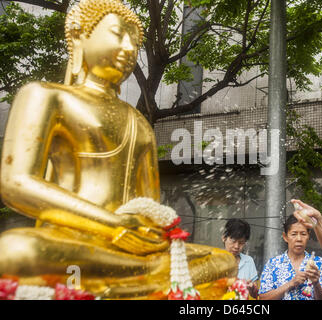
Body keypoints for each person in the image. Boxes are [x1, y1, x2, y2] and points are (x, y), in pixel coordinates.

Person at [0, 0, 236, 299]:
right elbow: (16, 184)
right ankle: (144, 286)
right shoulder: (46, 97)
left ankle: (130, 285)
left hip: (129, 251)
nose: (128, 48)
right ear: (79, 36)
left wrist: (150, 233)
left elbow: (148, 205)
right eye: (117, 34)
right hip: (72, 239)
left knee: (223, 261)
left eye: (135, 43)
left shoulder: (139, 122)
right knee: (16, 251)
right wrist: (113, 225)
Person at [258, 214, 322, 300]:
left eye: (303, 234)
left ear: (308, 236)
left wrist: (316, 283)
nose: (299, 239)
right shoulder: (273, 264)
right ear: (285, 237)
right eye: (294, 234)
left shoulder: (319, 263)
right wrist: (291, 283)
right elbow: (263, 298)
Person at [222, 219, 259, 297]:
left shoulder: (248, 261)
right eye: (233, 241)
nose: (236, 246)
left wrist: (252, 288)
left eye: (241, 243)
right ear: (224, 238)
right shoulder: (214, 260)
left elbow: (256, 295)